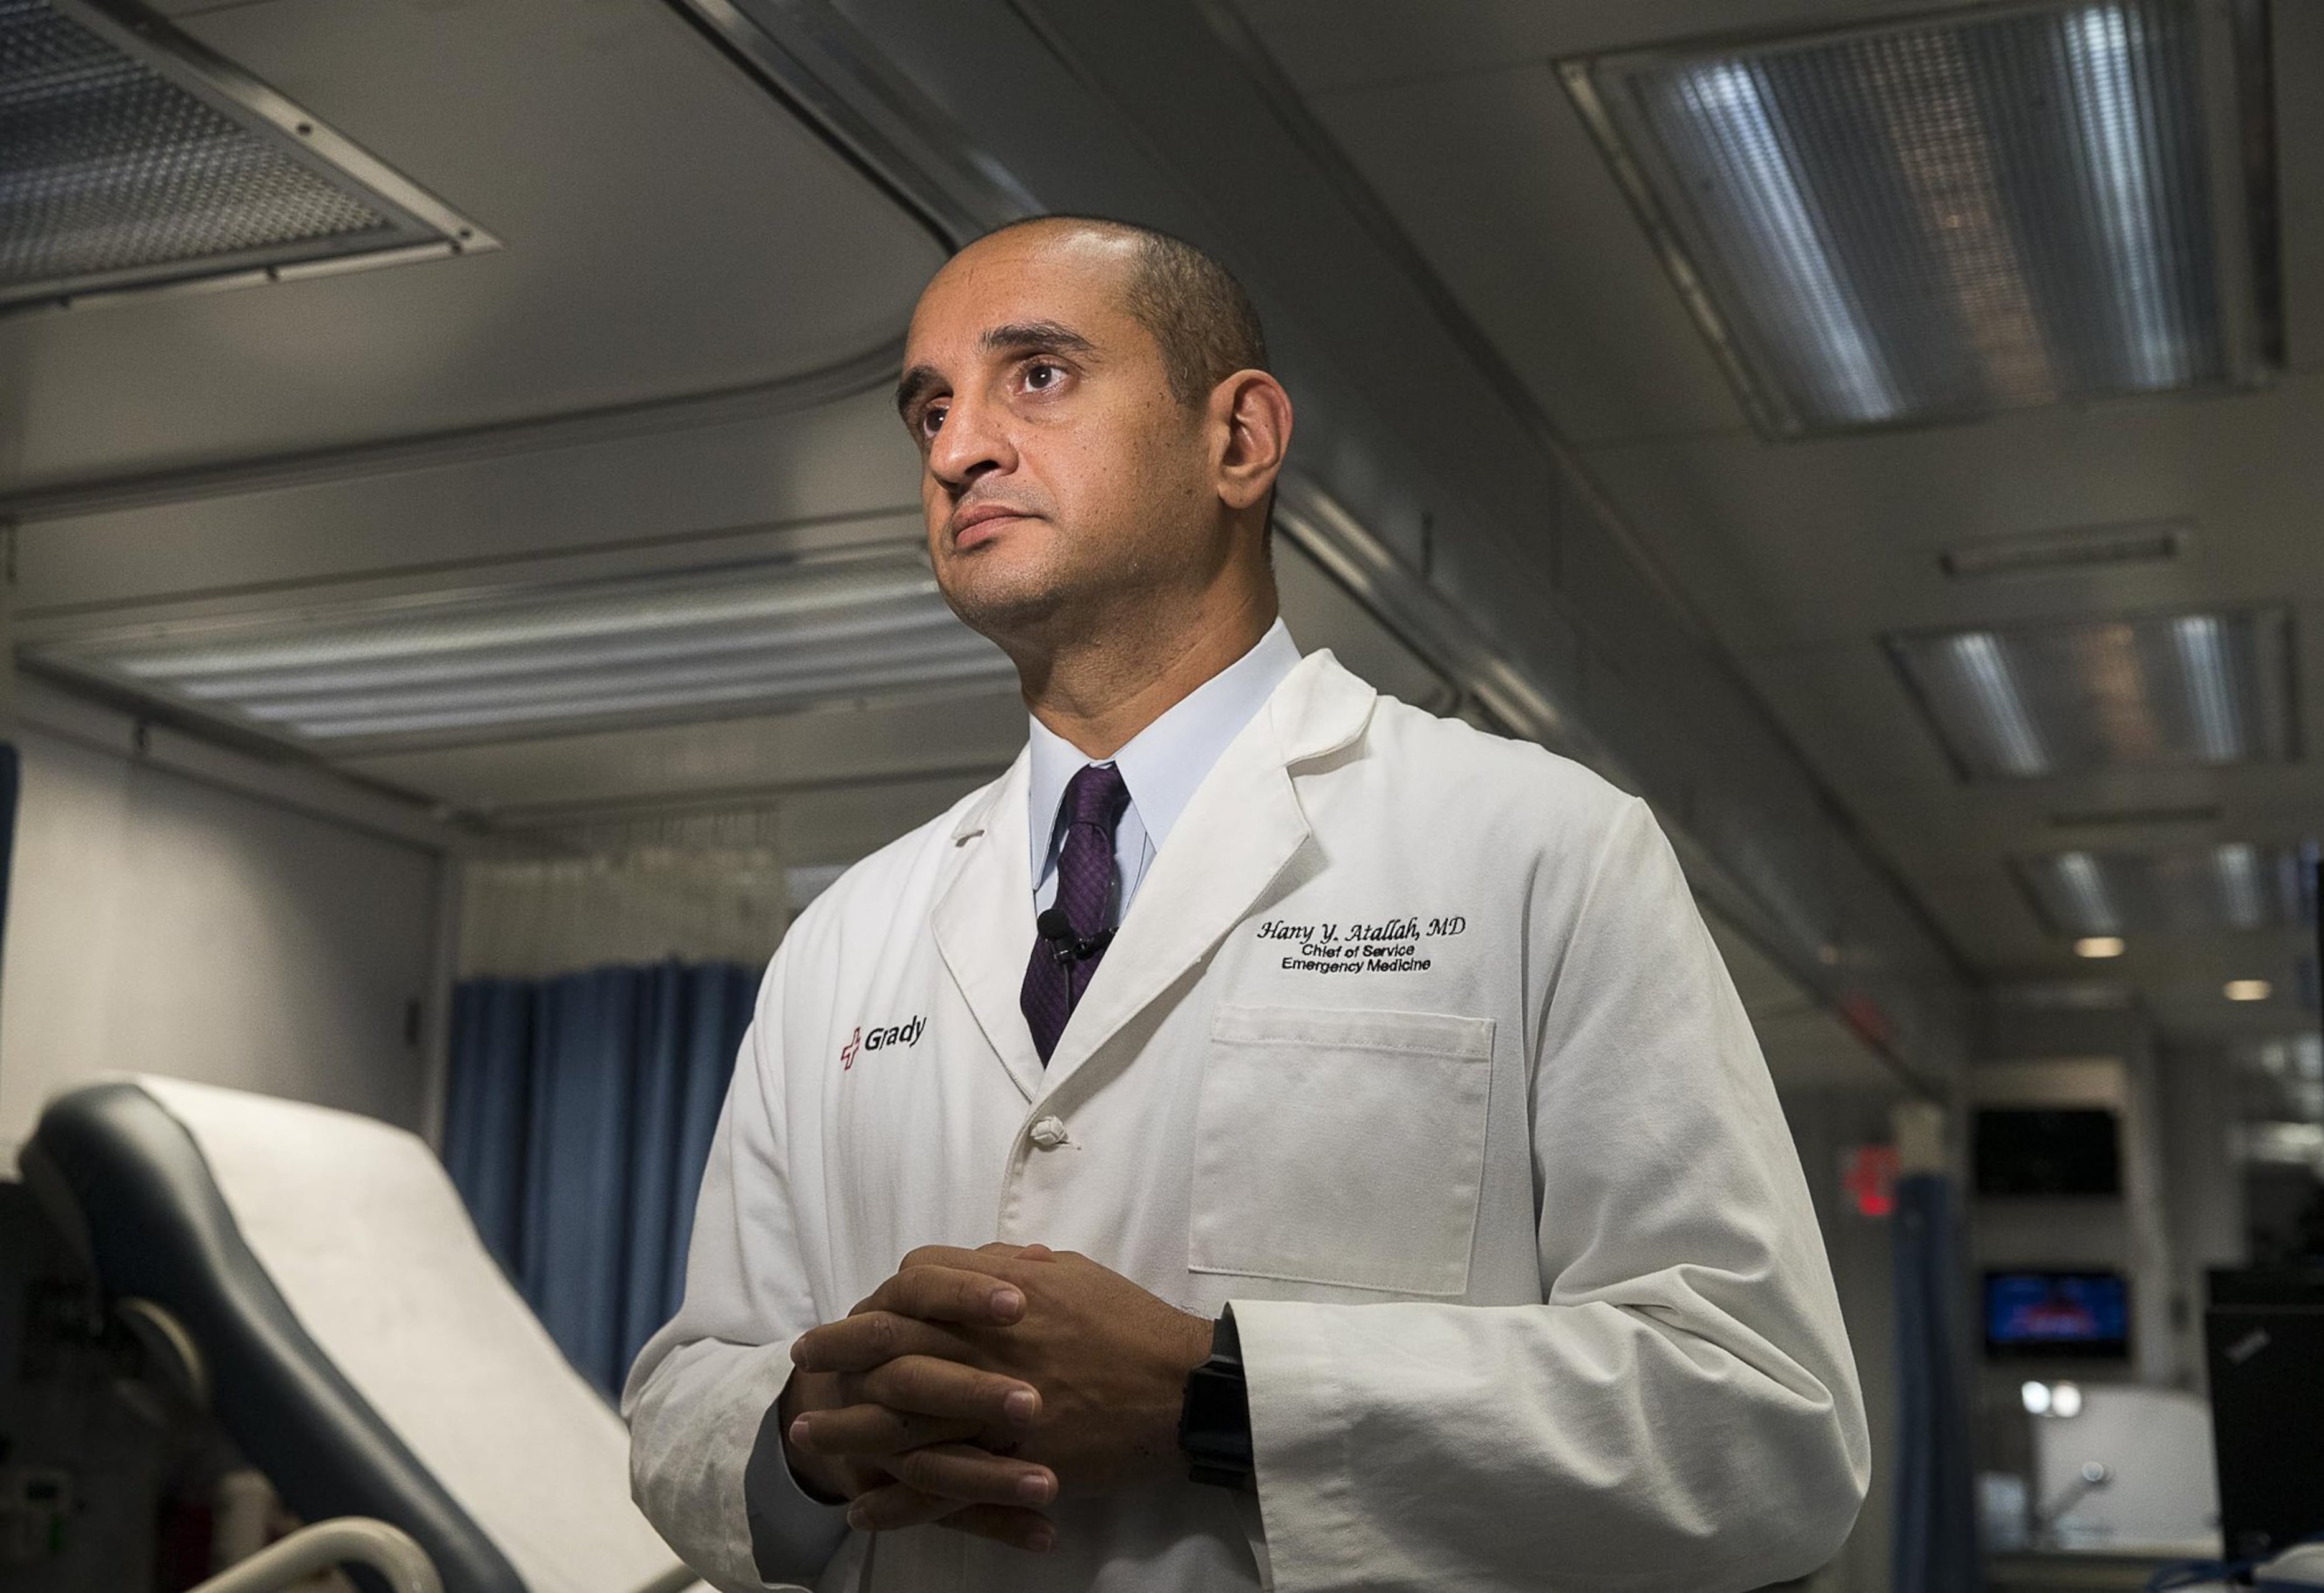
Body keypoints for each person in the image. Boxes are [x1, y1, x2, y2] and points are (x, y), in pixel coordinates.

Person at [622, 215, 1867, 1592]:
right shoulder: (845, 937)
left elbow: (1762, 1421)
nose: (957, 446)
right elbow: (692, 1390)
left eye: (1034, 375)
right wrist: (805, 1434)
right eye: (930, 406)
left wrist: (1217, 1397)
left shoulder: (1541, 847)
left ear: (1239, 440)